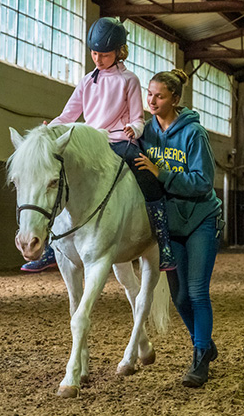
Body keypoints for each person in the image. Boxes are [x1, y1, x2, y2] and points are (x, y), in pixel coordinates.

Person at [22, 17, 176, 273]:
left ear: (119, 52)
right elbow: (68, 115)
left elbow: (138, 117)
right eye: (94, 53)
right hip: (89, 143)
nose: (98, 59)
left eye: (104, 54)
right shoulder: (86, 81)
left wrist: (134, 129)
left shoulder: (130, 80)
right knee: (59, 181)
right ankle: (51, 247)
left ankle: (164, 241)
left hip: (119, 141)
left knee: (148, 177)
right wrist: (48, 129)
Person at [135, 69, 223, 387]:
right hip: (170, 224)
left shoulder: (193, 133)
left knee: (197, 291)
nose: (152, 100)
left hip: (200, 219)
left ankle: (200, 358)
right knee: (179, 297)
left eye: (159, 95)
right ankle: (205, 342)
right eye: (149, 94)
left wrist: (162, 173)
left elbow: (202, 182)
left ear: (174, 98)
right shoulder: (146, 132)